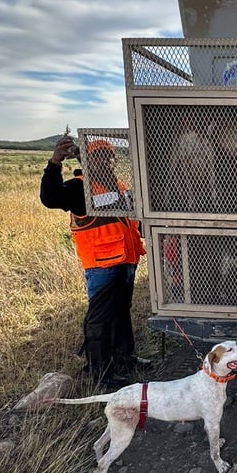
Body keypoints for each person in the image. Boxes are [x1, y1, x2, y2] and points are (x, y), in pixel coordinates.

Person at [41, 133, 148, 389]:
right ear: (87, 160)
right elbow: (50, 197)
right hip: (102, 265)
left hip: (126, 261)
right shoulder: (79, 188)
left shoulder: (119, 186)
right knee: (99, 319)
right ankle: (101, 372)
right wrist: (55, 162)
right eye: (98, 158)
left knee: (121, 312)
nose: (106, 163)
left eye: (108, 158)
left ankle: (125, 358)